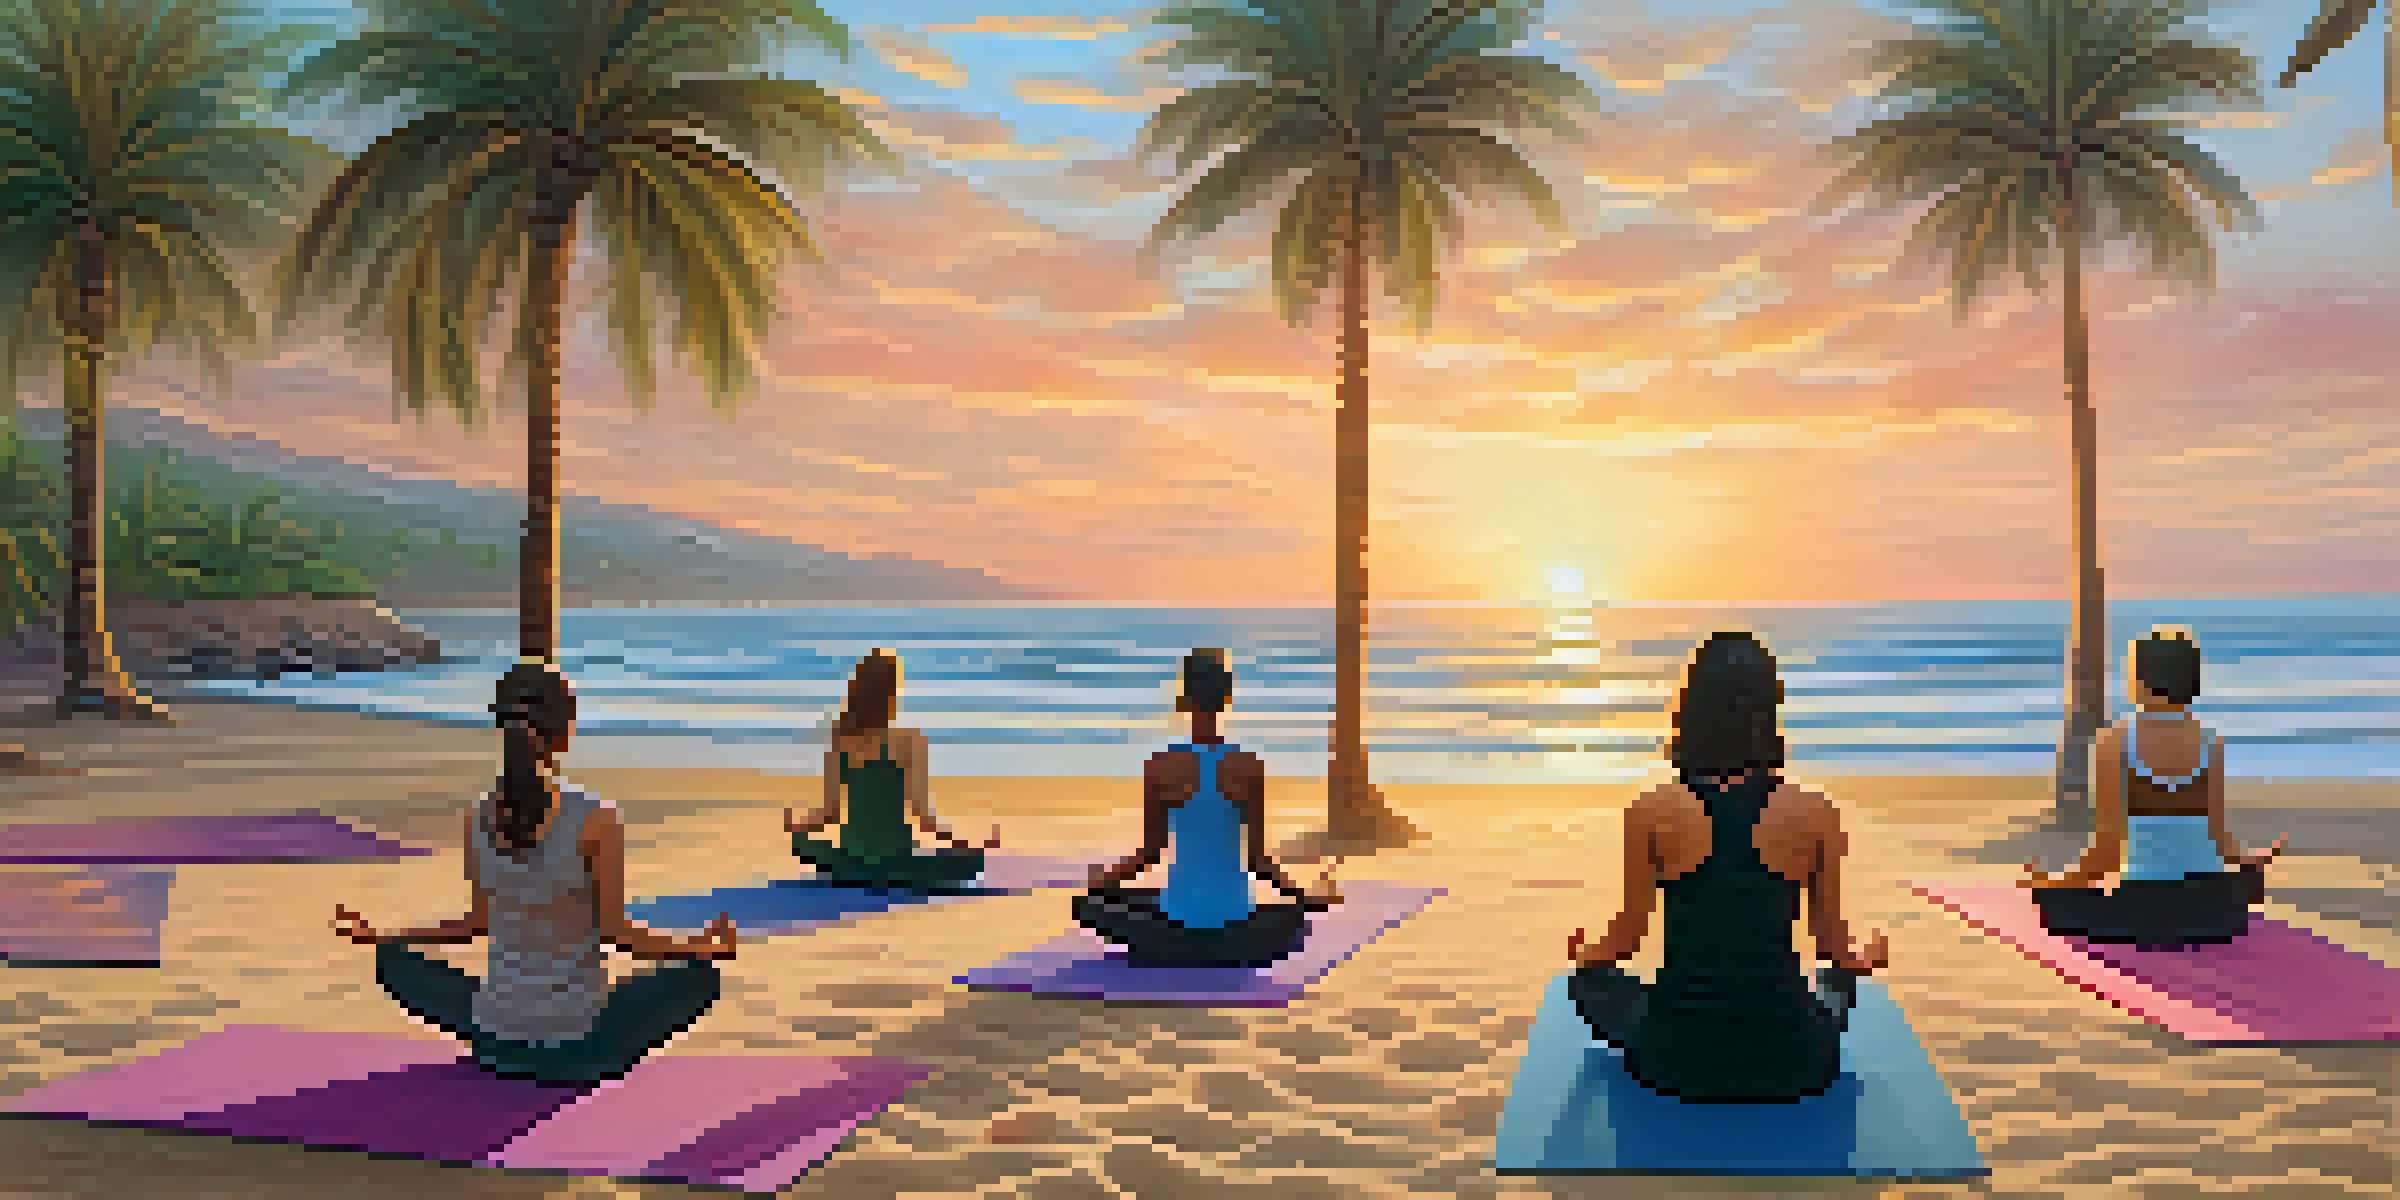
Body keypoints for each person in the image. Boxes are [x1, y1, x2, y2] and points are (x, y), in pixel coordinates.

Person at [331, 660, 737, 1086]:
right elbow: (620, 935)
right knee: (699, 978)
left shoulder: (479, 816)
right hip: (578, 1041)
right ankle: (574, 1058)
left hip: (496, 1037)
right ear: (565, 732)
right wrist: (698, 948)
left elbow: (476, 924)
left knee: (396, 965)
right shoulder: (595, 818)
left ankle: (505, 1045)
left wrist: (388, 937)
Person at [1565, 632, 1888, 1103]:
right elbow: (1834, 949)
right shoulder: (1816, 811)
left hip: (1677, 1060)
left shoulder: (1652, 809)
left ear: (1690, 712)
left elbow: (1627, 939)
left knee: (1588, 985)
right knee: (1837, 983)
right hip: (1794, 1060)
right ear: (1769, 713)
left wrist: (1585, 954)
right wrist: (1866, 958)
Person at [1072, 648, 1341, 967]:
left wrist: (1102, 882)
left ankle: (1171, 948)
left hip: (1175, 923)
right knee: (1295, 920)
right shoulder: (1248, 765)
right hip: (1237, 925)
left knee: (1090, 905)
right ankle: (1225, 947)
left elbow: (1150, 853)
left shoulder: (1160, 765)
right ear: (1226, 698)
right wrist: (1301, 898)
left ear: (1184, 700)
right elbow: (1258, 861)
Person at [2021, 627, 2288, 944]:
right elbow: (2217, 835)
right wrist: (2249, 862)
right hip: (2213, 910)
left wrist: (2058, 883)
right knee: (2225, 892)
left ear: (2142, 680)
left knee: (2056, 903)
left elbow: (2107, 851)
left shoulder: (2116, 741)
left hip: (2148, 905)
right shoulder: (2210, 742)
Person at [783, 649, 999, 892]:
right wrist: (961, 843)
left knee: (808, 846)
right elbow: (923, 817)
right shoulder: (909, 741)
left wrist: (800, 827)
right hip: (895, 861)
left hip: (850, 862)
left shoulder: (841, 738)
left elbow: (830, 813)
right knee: (969, 863)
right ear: (891, 695)